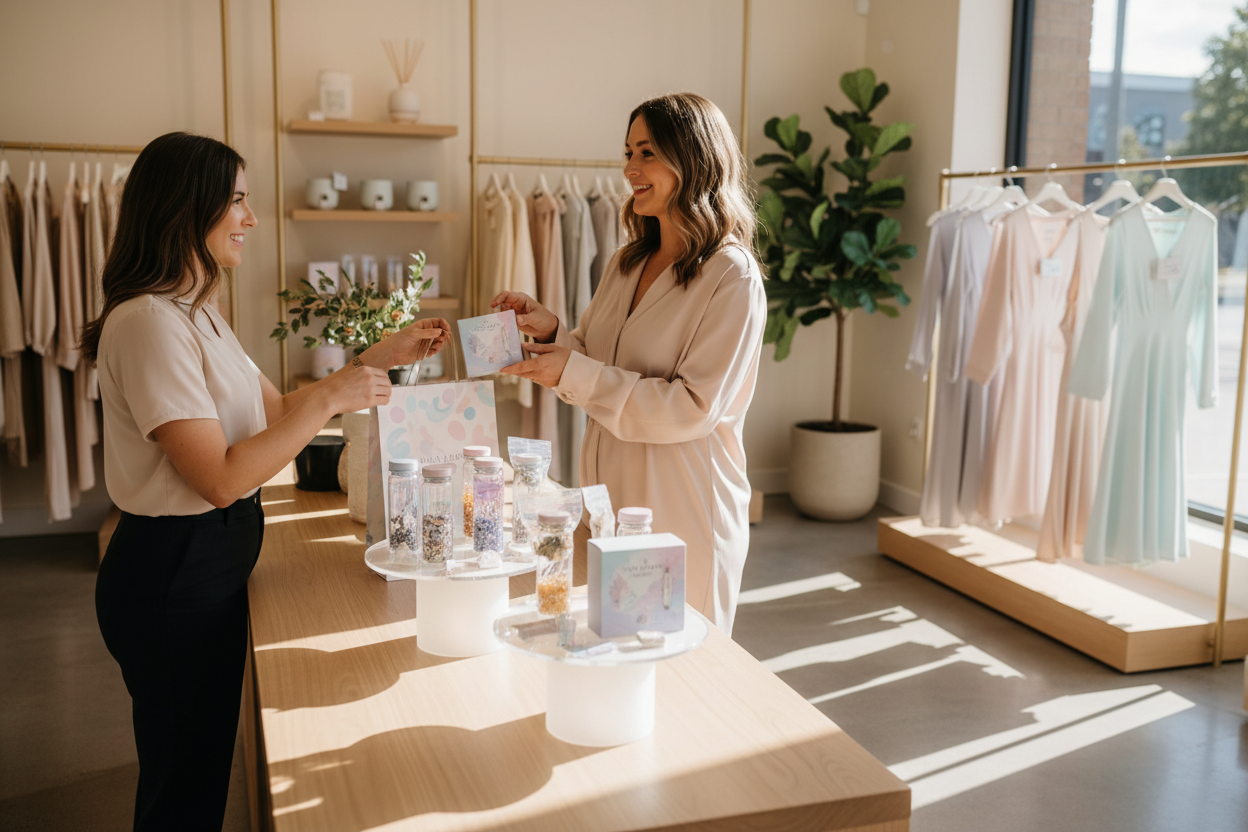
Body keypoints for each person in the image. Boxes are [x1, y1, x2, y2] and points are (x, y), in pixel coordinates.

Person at [80, 132, 449, 831]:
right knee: (182, 786)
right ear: (188, 206)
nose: (250, 219)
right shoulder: (149, 325)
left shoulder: (197, 315)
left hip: (205, 565)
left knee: (200, 769)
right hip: (172, 575)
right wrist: (331, 398)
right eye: (238, 200)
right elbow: (219, 478)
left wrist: (381, 355)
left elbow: (277, 412)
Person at [494, 92, 766, 634]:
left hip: (684, 503)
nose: (629, 170)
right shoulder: (626, 260)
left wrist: (572, 371)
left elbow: (693, 408)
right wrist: (552, 331)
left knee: (684, 663)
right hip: (609, 498)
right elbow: (596, 356)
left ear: (692, 160)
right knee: (614, 646)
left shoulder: (731, 277)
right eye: (627, 153)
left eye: (646, 154)